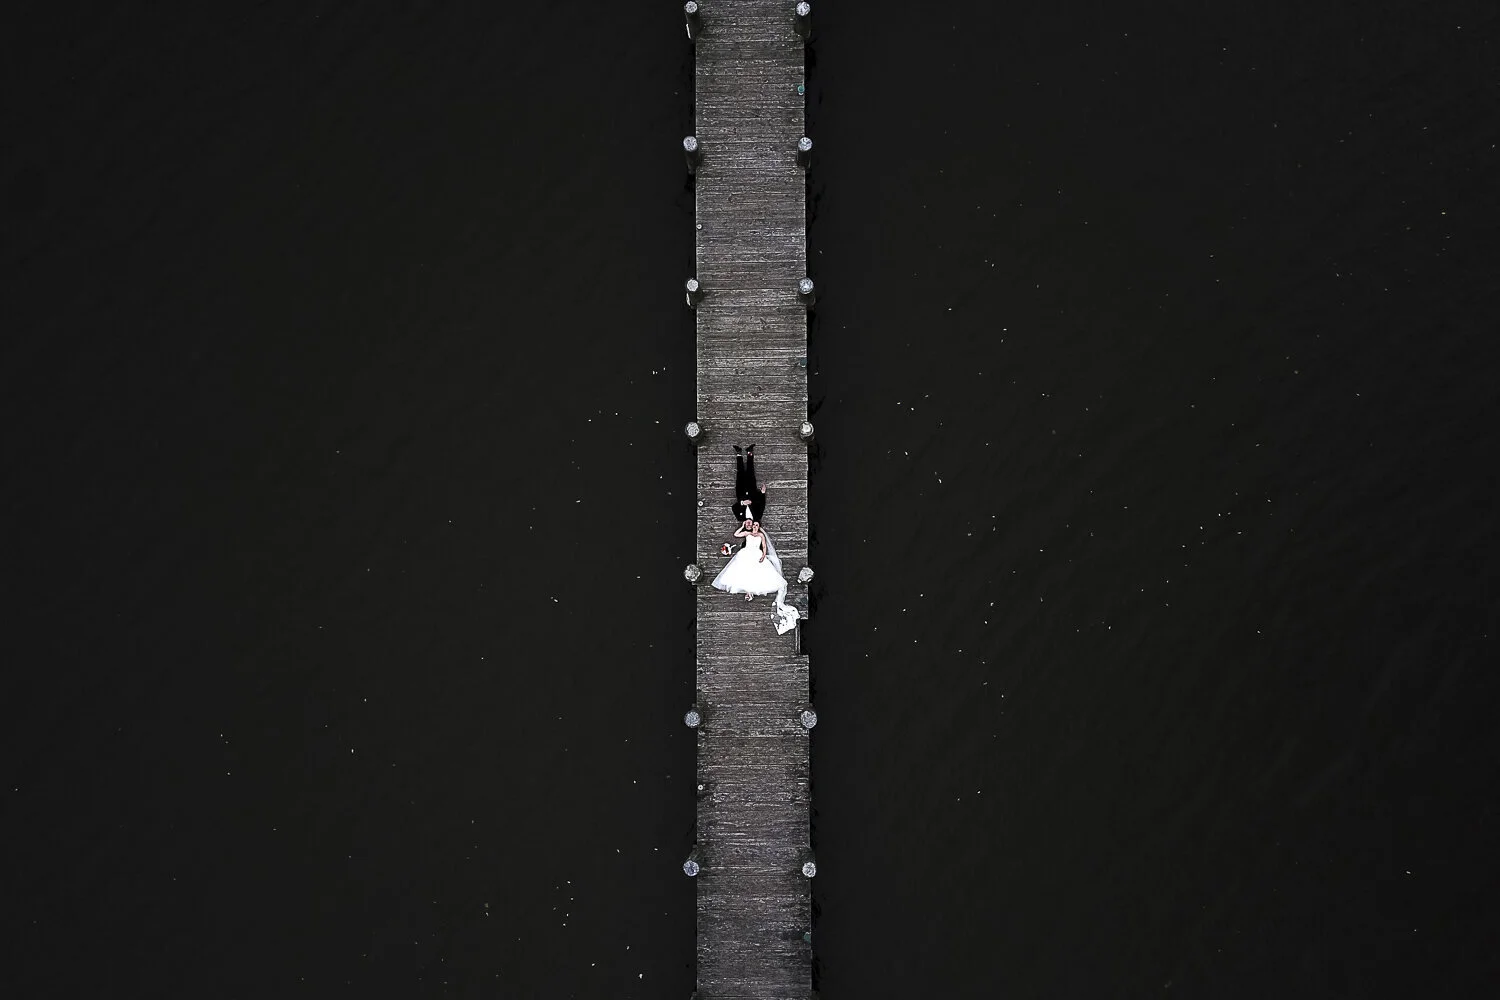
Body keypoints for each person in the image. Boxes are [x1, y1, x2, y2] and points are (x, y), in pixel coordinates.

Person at [712, 520, 786, 602]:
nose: (755, 526)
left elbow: (764, 546)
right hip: (746, 553)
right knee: (745, 571)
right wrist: (742, 526)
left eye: (757, 525)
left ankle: (750, 592)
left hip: (756, 554)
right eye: (754, 524)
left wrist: (763, 555)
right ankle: (748, 592)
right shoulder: (748, 533)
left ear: (759, 527)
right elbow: (736, 534)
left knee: (754, 572)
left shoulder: (761, 535)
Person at [729, 444, 767, 524]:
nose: (748, 524)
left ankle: (739, 453)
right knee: (750, 471)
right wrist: (763, 493)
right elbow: (762, 505)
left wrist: (742, 503)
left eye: (747, 525)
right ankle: (749, 452)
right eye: (750, 525)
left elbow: (734, 508)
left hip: (740, 491)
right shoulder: (757, 516)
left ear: (745, 525)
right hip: (752, 491)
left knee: (740, 472)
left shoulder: (740, 517)